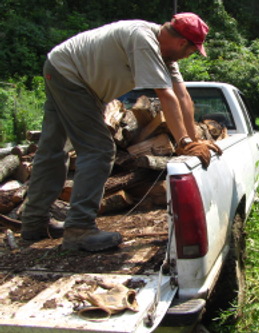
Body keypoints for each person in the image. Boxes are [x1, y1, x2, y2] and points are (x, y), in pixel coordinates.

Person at [21, 12, 222, 252]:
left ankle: (35, 223)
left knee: (53, 148)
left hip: (67, 72)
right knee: (99, 150)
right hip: (71, 75)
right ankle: (79, 230)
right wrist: (184, 141)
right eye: (191, 51)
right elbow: (166, 95)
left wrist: (195, 140)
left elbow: (182, 97)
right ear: (181, 43)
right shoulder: (144, 40)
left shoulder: (166, 55)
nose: (189, 56)